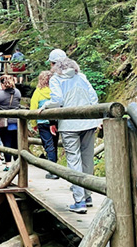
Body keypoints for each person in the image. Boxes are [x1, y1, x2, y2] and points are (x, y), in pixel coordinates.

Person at [42, 54, 99, 214]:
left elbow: (57, 100)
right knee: (88, 159)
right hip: (88, 122)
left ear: (54, 64)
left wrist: (46, 105)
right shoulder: (81, 76)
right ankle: (88, 196)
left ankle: (79, 201)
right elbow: (93, 97)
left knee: (74, 160)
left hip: (68, 124)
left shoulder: (56, 79)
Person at [30, 70, 59, 180]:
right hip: (56, 121)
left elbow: (33, 108)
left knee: (48, 145)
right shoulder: (55, 91)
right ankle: (55, 168)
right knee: (54, 144)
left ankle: (52, 171)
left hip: (43, 122)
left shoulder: (38, 92)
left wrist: (33, 123)